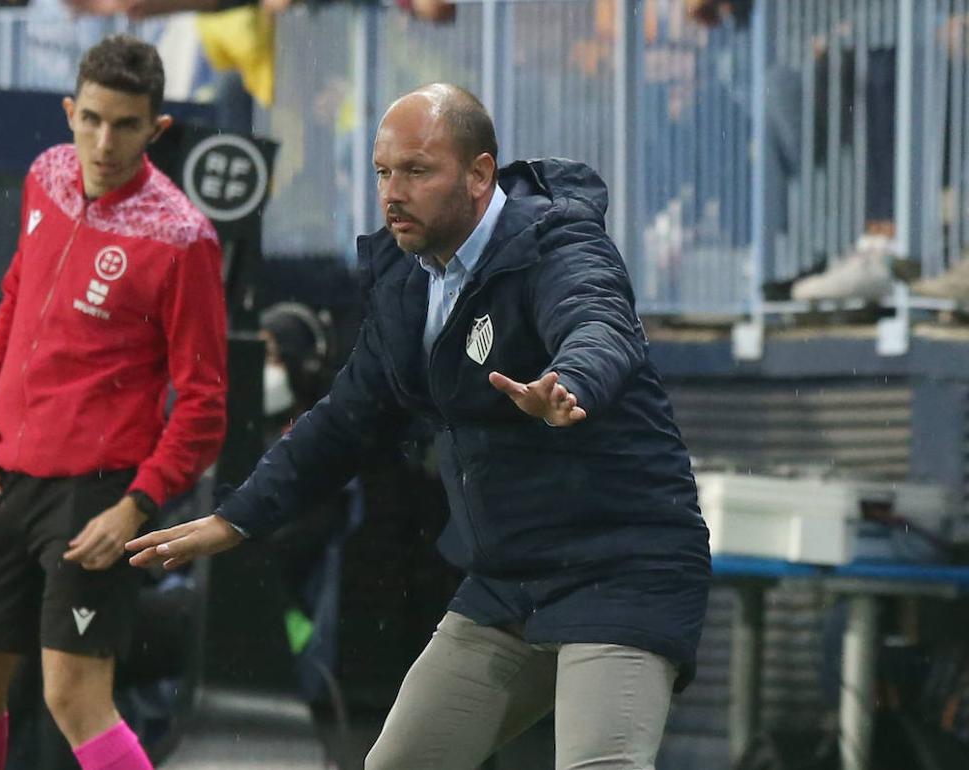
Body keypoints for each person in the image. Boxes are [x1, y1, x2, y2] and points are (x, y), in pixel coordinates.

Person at [128, 83, 711, 770]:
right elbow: (343, 423)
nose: (392, 191)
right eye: (382, 171)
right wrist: (236, 520)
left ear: (479, 174)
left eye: (417, 170)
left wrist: (570, 381)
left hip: (623, 565)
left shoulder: (558, 238)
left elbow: (598, 321)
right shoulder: (406, 286)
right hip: (506, 581)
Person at [0, 35, 228, 770]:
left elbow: (204, 405)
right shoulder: (45, 177)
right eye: (92, 118)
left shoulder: (183, 237)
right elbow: (16, 293)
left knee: (74, 697)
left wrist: (137, 505)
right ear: (70, 112)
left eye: (126, 125)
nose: (104, 141)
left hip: (93, 495)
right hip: (5, 476)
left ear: (156, 129)